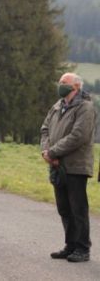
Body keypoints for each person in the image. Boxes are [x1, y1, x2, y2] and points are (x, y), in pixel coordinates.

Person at [40, 72, 96, 263]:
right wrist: (46, 152)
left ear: (76, 87)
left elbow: (78, 136)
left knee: (77, 208)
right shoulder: (57, 106)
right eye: (60, 82)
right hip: (56, 165)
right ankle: (70, 245)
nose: (60, 85)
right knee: (64, 208)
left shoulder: (85, 107)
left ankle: (82, 248)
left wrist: (53, 152)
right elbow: (45, 129)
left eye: (65, 82)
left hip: (76, 166)